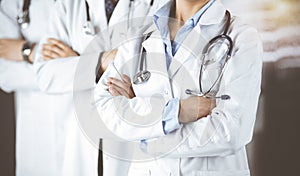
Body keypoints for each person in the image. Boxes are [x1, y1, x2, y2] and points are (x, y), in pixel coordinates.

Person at [94, 0, 263, 175]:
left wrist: (146, 137)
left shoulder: (242, 37)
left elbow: (230, 132)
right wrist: (178, 111)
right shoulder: (139, 34)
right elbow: (104, 109)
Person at [33, 0, 164, 175]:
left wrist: (79, 61)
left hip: (134, 131)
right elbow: (46, 74)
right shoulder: (69, 5)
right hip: (80, 133)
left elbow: (158, 64)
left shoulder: (158, 4)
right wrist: (100, 62)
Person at [0, 0, 63, 175]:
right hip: (36, 129)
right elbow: (7, 74)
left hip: (84, 122)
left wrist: (26, 53)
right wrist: (33, 51)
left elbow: (104, 62)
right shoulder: (13, 3)